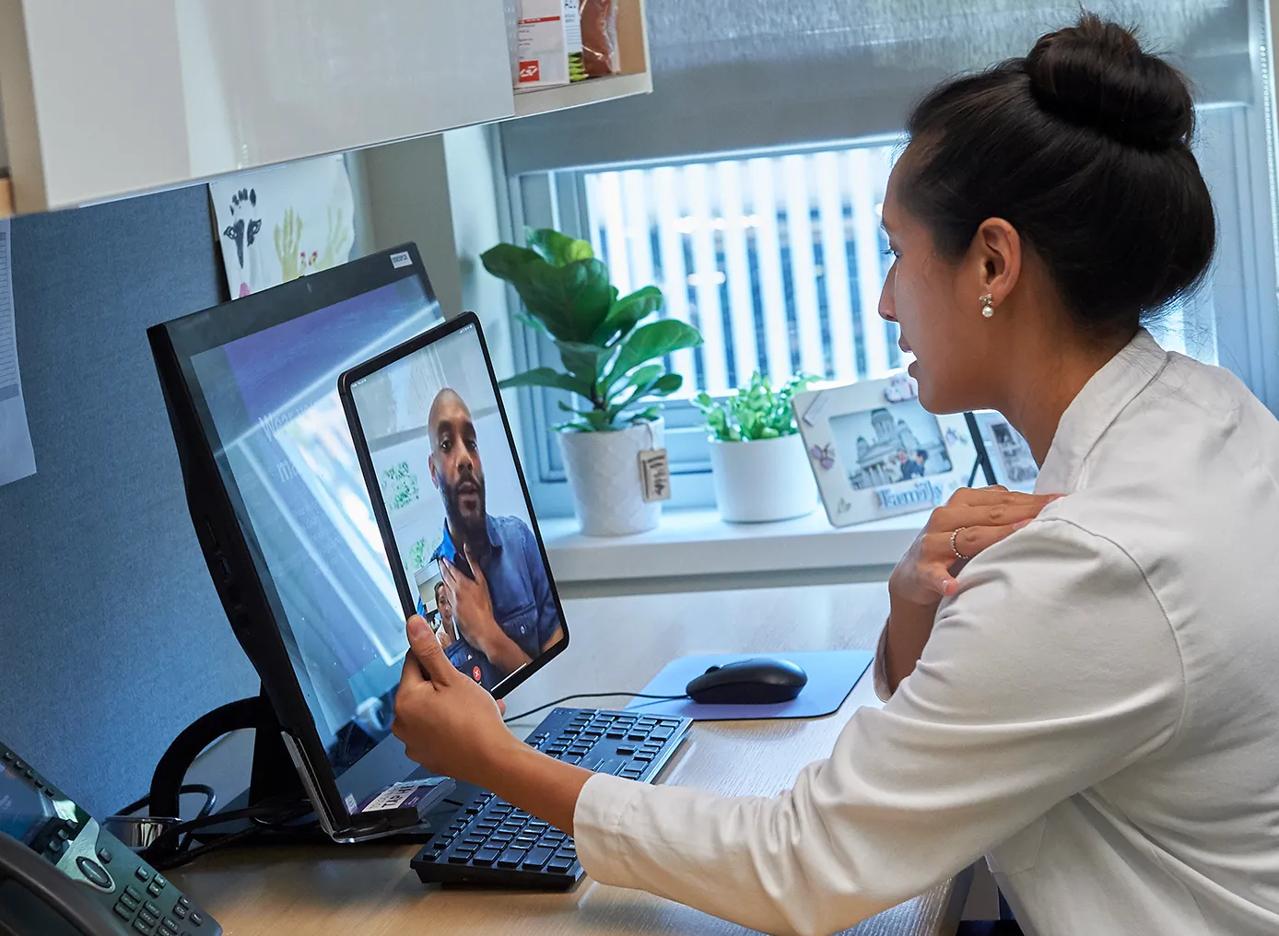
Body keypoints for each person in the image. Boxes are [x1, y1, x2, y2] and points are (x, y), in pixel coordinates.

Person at [390, 17, 1279, 935]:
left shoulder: (1089, 563)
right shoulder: (1207, 412)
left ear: (992, 262)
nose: (885, 301)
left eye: (895, 252)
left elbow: (802, 865)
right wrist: (913, 617)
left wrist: (498, 763)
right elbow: (988, 719)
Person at [426, 387, 564, 689]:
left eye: (471, 444)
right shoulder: (426, 585)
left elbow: (557, 680)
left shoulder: (521, 542)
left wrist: (489, 636)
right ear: (433, 470)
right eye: (447, 444)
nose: (465, 458)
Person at [433, 579, 456, 650]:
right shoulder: (437, 640)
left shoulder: (464, 628)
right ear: (437, 606)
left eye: (449, 600)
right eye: (442, 602)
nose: (447, 608)